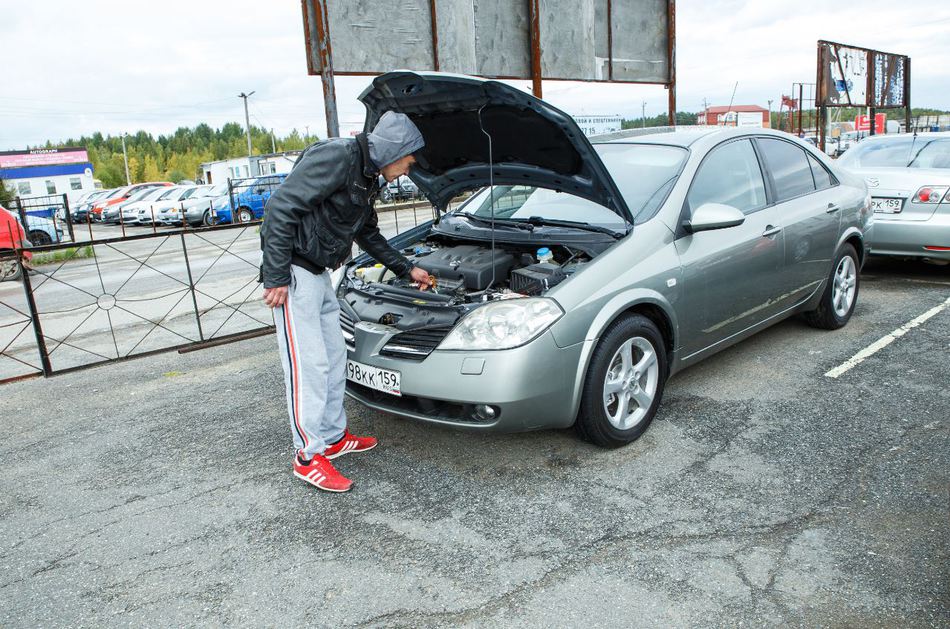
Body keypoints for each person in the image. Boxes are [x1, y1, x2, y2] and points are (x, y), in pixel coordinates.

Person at [260, 112, 431, 493]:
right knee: (309, 367)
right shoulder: (337, 156)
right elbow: (280, 208)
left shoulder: (367, 175)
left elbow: (367, 232)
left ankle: (334, 438)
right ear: (394, 150)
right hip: (294, 275)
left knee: (335, 358)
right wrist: (274, 276)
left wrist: (407, 269)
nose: (406, 171)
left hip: (321, 274)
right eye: (407, 161)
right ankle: (307, 455)